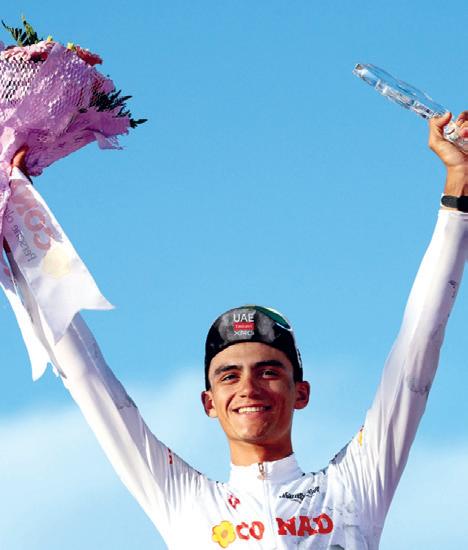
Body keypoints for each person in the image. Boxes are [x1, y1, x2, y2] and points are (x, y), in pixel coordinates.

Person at [8, 112, 468, 549]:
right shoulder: (184, 501)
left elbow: (417, 350)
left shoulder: (353, 489)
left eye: (268, 371)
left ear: (301, 392)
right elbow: (91, 383)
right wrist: (16, 226)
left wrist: (459, 187)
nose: (249, 387)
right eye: (229, 375)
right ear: (209, 402)